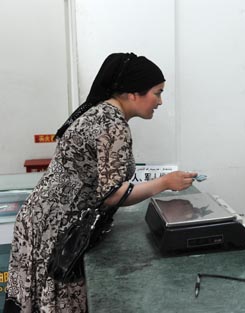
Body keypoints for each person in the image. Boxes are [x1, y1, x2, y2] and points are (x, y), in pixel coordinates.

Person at [4, 53, 198, 313]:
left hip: (41, 218)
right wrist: (164, 182)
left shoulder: (99, 113)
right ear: (132, 93)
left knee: (37, 298)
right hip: (59, 227)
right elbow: (112, 195)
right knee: (60, 301)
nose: (160, 101)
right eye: (157, 93)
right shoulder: (113, 125)